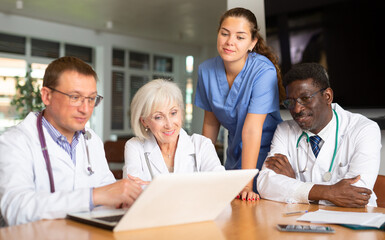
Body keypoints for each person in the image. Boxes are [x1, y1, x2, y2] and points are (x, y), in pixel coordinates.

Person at [0, 56, 142, 226]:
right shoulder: (15, 142)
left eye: (91, 99)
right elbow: (17, 210)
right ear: (46, 96)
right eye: (75, 97)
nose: (85, 109)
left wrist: (124, 196)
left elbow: (107, 188)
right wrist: (93, 196)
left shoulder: (91, 140)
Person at [257, 63, 381, 207]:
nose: (297, 109)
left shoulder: (364, 129)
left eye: (305, 98)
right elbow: (265, 184)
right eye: (290, 102)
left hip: (354, 222)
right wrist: (330, 193)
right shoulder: (284, 130)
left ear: (327, 96)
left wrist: (295, 185)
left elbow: (357, 195)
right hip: (302, 222)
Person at [194, 7, 285, 201]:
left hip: (267, 152)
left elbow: (252, 129)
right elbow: (210, 124)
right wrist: (202, 172)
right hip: (236, 153)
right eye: (224, 34)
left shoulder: (263, 71)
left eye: (240, 37)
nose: (229, 42)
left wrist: (246, 184)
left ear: (252, 43)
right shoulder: (206, 71)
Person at [123, 79, 225, 182]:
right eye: (158, 117)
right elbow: (132, 191)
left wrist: (150, 185)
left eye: (173, 113)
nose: (169, 124)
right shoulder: (135, 147)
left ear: (181, 112)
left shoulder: (202, 145)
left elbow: (220, 184)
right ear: (144, 121)